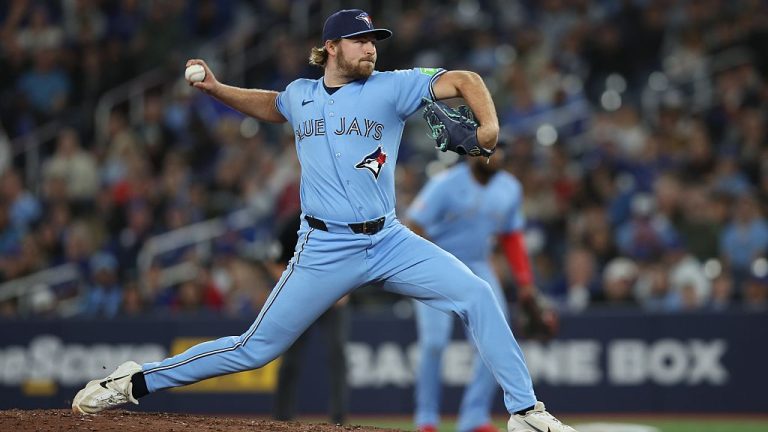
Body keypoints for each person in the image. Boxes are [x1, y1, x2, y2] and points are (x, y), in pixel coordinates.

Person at [71, 9, 576, 432]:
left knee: (479, 295)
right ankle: (133, 382)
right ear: (331, 46)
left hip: (390, 241)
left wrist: (488, 126)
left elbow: (466, 80)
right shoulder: (300, 94)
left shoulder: (393, 88)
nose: (371, 49)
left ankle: (525, 411)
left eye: (375, 41)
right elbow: (272, 106)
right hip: (323, 248)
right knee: (254, 349)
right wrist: (219, 89)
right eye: (360, 41)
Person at [406, 146, 544, 432]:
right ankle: (426, 419)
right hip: (437, 261)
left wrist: (525, 281)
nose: (494, 158)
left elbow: (511, 235)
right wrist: (419, 267)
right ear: (470, 154)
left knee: (494, 341)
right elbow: (414, 225)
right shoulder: (445, 183)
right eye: (486, 152)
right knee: (433, 344)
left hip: (478, 264)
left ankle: (473, 416)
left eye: (499, 153)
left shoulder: (509, 187)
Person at [266, 210, 348, 425]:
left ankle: (338, 418)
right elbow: (274, 260)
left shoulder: (339, 220)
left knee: (337, 355)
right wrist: (291, 286)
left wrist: (346, 289)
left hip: (331, 298)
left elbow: (354, 260)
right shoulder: (293, 222)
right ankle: (282, 417)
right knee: (290, 358)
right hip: (300, 300)